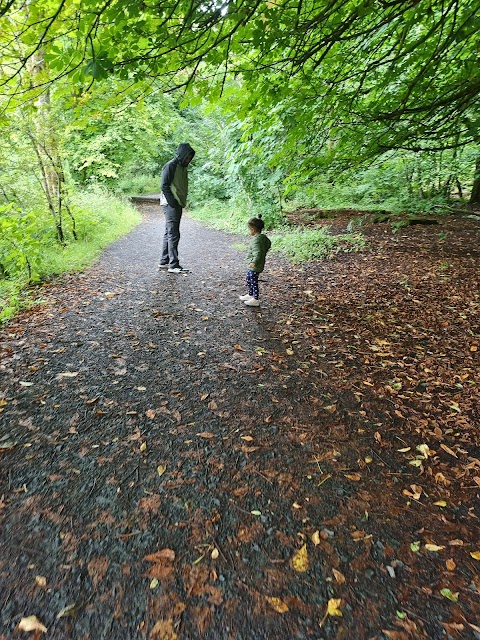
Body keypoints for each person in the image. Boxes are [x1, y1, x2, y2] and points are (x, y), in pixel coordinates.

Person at [158, 143, 195, 274]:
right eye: (187, 157)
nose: (188, 160)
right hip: (171, 204)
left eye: (190, 158)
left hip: (177, 203)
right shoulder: (171, 165)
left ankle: (164, 261)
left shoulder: (183, 167)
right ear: (181, 154)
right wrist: (173, 202)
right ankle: (173, 265)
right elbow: (164, 185)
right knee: (174, 234)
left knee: (169, 233)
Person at [239, 214, 271, 307]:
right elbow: (268, 244)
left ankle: (255, 299)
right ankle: (250, 295)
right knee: (249, 279)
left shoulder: (257, 240)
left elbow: (258, 253)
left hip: (255, 265)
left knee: (253, 281)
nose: (249, 231)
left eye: (249, 229)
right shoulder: (262, 237)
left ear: (253, 229)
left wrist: (254, 262)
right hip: (253, 264)